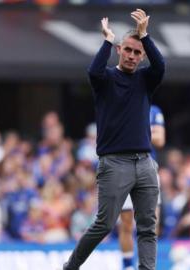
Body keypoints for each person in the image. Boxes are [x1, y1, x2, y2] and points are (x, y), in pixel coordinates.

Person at [63, 8, 165, 270]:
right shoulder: (106, 78)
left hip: (144, 163)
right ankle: (71, 266)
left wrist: (146, 36)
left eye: (137, 52)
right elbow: (93, 71)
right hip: (114, 163)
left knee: (148, 227)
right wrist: (107, 41)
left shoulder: (145, 79)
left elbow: (161, 66)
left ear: (142, 57)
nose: (132, 55)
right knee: (105, 224)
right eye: (128, 50)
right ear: (120, 50)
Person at [119, 104, 165, 270]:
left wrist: (135, 130)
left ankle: (146, 264)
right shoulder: (118, 106)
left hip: (149, 169)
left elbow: (160, 139)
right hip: (124, 169)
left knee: (152, 225)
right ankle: (127, 266)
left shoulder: (153, 111)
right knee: (126, 223)